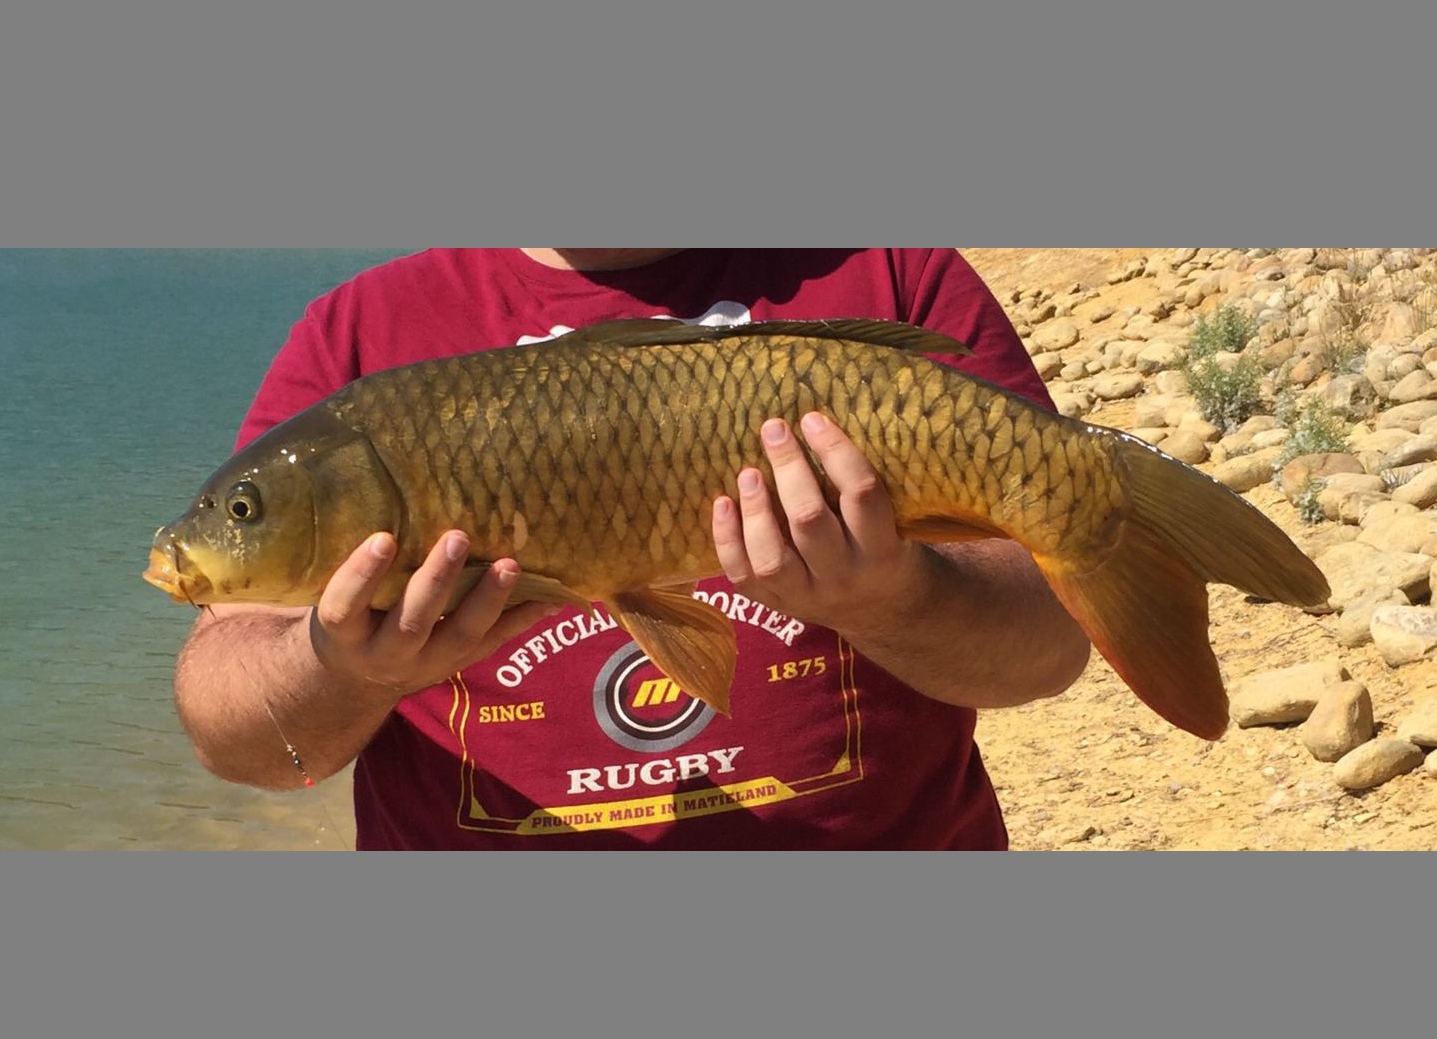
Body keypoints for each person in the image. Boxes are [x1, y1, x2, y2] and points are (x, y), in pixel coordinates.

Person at [173, 249, 1091, 849]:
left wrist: (895, 596)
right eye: (247, 510)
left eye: (244, 511)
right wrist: (341, 668)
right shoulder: (355, 336)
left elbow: (1050, 651)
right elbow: (239, 741)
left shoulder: (889, 269)